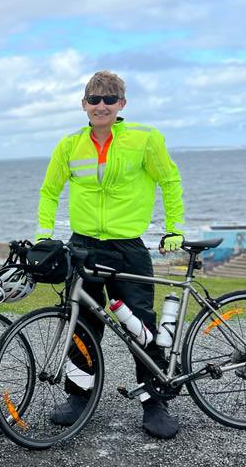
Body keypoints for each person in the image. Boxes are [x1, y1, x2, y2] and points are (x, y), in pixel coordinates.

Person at [35, 70, 185, 439]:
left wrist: (174, 226)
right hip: (83, 246)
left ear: (122, 104)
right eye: (94, 99)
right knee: (82, 325)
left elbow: (170, 180)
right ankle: (79, 396)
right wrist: (43, 236)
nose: (101, 105)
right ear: (84, 104)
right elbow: (49, 191)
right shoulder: (70, 145)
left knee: (142, 326)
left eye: (109, 99)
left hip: (128, 247)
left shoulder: (145, 139)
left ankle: (154, 402)